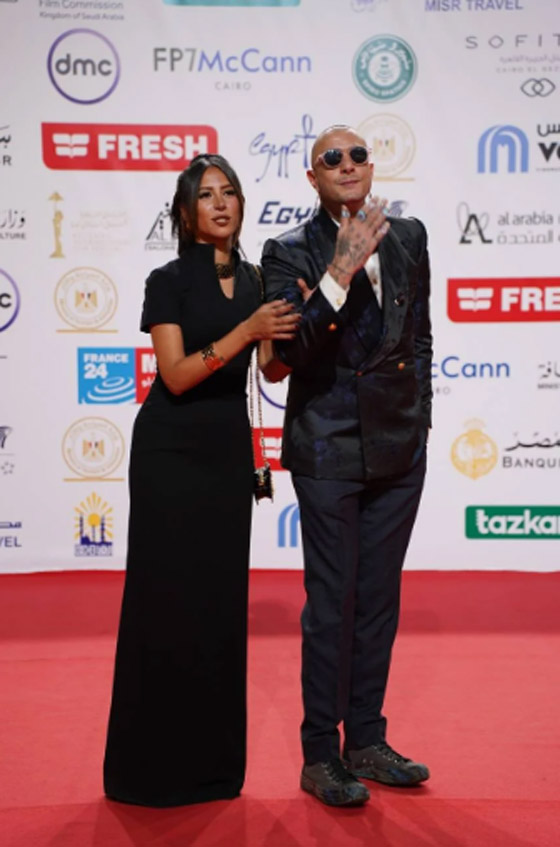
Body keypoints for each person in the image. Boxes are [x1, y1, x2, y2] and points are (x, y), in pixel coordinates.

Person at [103, 154, 299, 807]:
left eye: (229, 192)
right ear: (185, 214)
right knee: (163, 602)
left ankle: (211, 769)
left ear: (241, 204)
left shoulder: (256, 277)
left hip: (225, 454)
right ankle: (146, 771)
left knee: (217, 605)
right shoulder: (167, 281)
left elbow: (269, 370)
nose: (220, 203)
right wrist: (248, 329)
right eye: (206, 195)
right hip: (169, 450)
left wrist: (290, 331)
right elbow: (178, 374)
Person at [261, 125, 432, 807]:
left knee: (379, 601)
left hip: (399, 447)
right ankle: (319, 754)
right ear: (313, 177)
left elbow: (419, 336)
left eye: (358, 154)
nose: (349, 164)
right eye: (332, 158)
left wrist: (420, 420)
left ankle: (366, 738)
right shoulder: (287, 251)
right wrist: (338, 273)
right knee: (332, 604)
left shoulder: (410, 236)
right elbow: (290, 355)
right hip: (327, 446)